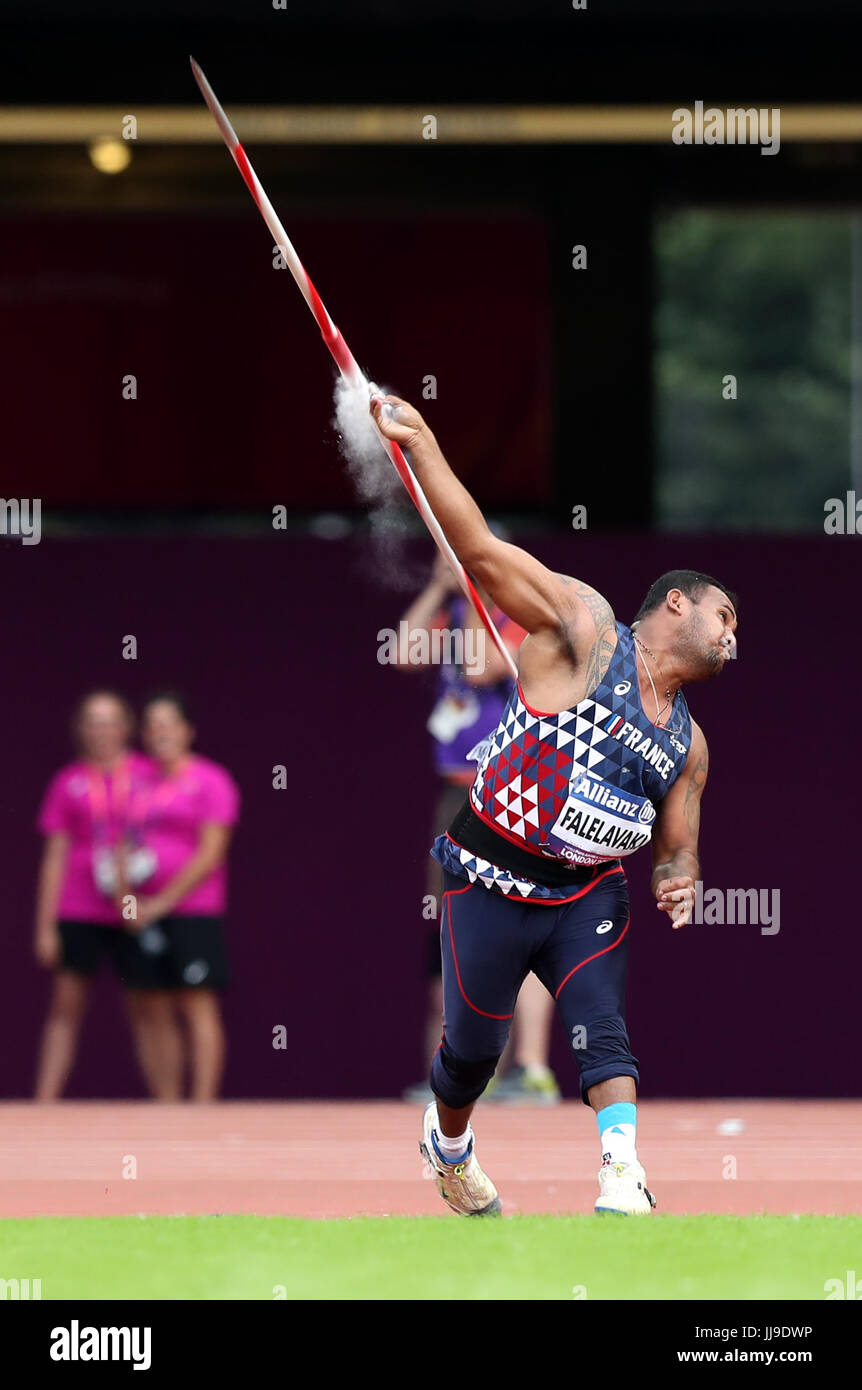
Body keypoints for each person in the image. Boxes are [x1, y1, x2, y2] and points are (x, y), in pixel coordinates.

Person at [371, 391, 737, 1217]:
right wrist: (425, 442)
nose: (732, 636)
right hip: (489, 877)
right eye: (725, 616)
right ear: (675, 603)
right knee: (470, 1055)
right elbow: (480, 552)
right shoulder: (589, 630)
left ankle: (621, 1173)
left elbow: (677, 845)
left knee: (603, 1029)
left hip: (585, 892)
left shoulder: (690, 743)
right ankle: (451, 1145)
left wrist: (679, 877)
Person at [395, 551, 561, 1105]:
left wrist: (471, 597)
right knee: (452, 920)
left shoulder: (517, 621)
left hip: (514, 790)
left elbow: (479, 668)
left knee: (525, 918)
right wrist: (439, 591)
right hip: (457, 789)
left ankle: (531, 1068)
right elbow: (402, 651)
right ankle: (464, 1071)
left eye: (462, 563)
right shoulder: (454, 614)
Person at [33, 690, 160, 1100]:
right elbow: (54, 856)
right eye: (93, 721)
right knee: (65, 1008)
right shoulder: (67, 781)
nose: (101, 729)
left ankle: (172, 1106)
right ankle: (44, 1104)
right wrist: (46, 926)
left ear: (126, 727)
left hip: (132, 902)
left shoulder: (149, 774)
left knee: (147, 1007)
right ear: (81, 729)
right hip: (79, 905)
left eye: (110, 720)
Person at [122, 694, 240, 1102]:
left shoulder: (211, 779)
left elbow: (210, 853)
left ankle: (203, 1105)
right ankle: (166, 1103)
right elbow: (120, 842)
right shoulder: (135, 780)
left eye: (169, 723)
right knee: (151, 1006)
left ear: (188, 730)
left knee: (197, 1004)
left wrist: (161, 903)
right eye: (152, 725)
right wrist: (129, 901)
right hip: (143, 912)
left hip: (193, 910)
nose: (160, 733)